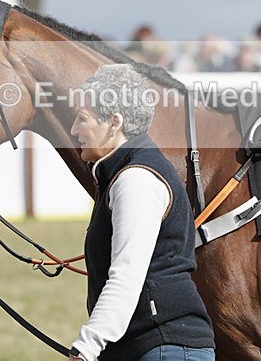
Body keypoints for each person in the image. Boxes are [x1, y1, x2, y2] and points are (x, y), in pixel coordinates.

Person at [68, 64, 215, 361]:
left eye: (82, 118)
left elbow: (126, 274)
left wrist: (86, 347)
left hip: (164, 348)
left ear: (114, 122)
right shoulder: (124, 172)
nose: (73, 130)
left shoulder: (135, 179)